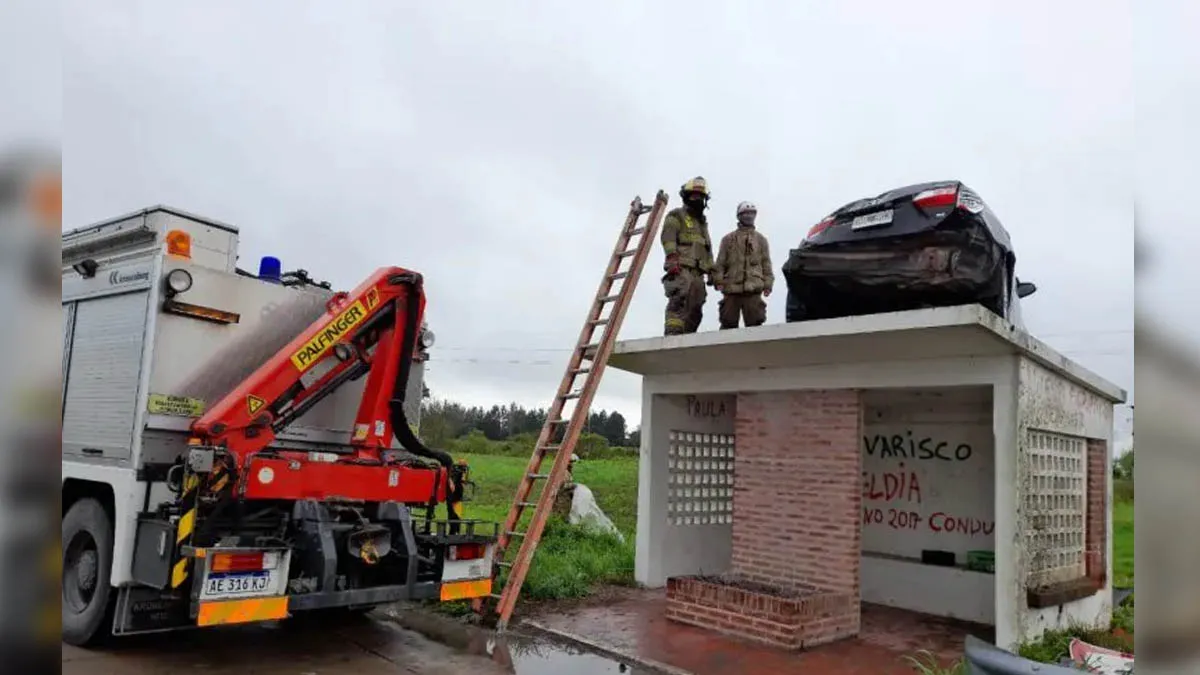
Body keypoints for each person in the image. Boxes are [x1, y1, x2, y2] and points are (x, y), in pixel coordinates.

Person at [660, 176, 715, 335]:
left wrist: (712, 271)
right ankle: (672, 335)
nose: (697, 199)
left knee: (697, 306)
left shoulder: (702, 223)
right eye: (694, 195)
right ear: (686, 196)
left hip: (698, 273)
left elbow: (708, 249)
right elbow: (668, 236)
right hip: (681, 267)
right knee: (679, 300)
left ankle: (687, 336)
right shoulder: (677, 215)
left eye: (700, 197)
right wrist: (671, 256)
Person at [713, 201, 774, 329]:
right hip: (731, 289)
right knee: (727, 324)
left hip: (753, 290)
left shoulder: (761, 240)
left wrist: (768, 284)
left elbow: (766, 264)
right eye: (746, 213)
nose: (749, 216)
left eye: (752, 213)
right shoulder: (728, 239)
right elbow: (720, 263)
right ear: (739, 216)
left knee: (755, 326)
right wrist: (718, 280)